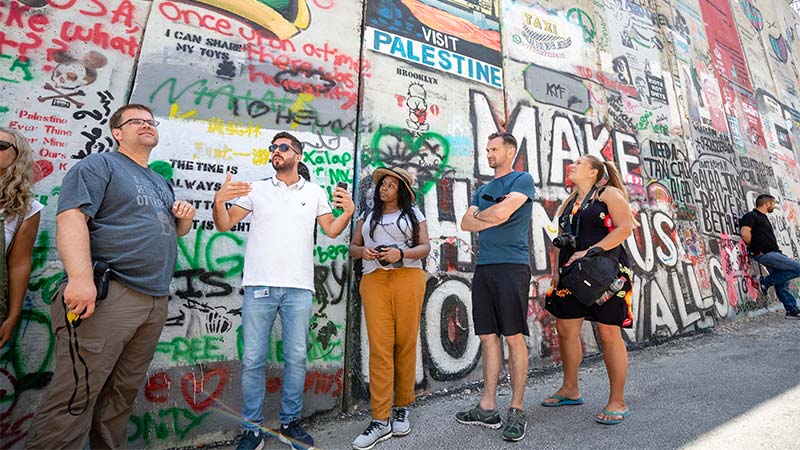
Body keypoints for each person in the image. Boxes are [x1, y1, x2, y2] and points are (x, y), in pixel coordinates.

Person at [25, 104, 196, 449]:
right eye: (136, 121)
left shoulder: (159, 182)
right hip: (109, 295)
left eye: (150, 122)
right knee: (76, 394)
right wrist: (80, 279)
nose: (146, 125)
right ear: (117, 132)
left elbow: (156, 231)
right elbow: (72, 217)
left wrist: (184, 220)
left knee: (122, 395)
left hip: (153, 300)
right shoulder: (100, 165)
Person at [213, 131, 354, 450]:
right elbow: (224, 224)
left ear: (298, 155)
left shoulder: (315, 192)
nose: (275, 151)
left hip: (298, 289)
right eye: (272, 148)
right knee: (252, 360)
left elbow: (331, 230)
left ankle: (290, 424)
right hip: (259, 286)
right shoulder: (257, 189)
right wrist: (219, 201)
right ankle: (253, 430)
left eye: (282, 147)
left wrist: (346, 212)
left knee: (296, 357)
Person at [542, 155, 636, 426]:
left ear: (594, 172)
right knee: (566, 330)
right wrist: (555, 272)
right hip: (572, 276)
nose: (572, 164)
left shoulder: (609, 194)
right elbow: (562, 243)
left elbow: (624, 229)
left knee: (608, 333)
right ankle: (570, 389)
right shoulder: (568, 203)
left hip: (607, 274)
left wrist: (589, 252)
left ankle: (617, 400)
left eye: (580, 163)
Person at [455, 132, 535, 442]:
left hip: (512, 266)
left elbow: (501, 213)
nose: (488, 154)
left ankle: (516, 409)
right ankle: (487, 407)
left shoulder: (522, 179)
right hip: (484, 267)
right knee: (488, 337)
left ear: (510, 151)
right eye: (486, 149)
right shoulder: (484, 188)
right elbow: (466, 223)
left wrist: (485, 216)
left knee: (513, 337)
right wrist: (491, 217)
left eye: (494, 149)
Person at [349, 167, 430, 450]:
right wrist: (364, 252)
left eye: (391, 185)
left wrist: (401, 253)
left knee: (405, 344)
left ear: (402, 191)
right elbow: (353, 247)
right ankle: (380, 419)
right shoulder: (367, 216)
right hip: (375, 280)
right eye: (382, 184)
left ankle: (402, 406)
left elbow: (425, 248)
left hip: (408, 278)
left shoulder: (414, 215)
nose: (384, 188)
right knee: (380, 348)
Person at [0, 128, 42, 349]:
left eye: (1, 146)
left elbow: (19, 264)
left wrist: (12, 316)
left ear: (17, 157)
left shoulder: (25, 210)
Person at [740, 194, 800, 319]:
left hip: (773, 252)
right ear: (767, 203)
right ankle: (764, 281)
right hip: (765, 253)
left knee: (782, 283)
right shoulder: (751, 216)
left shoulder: (763, 218)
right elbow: (745, 233)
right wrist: (756, 248)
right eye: (773, 203)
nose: (774, 206)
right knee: (797, 268)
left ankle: (792, 310)